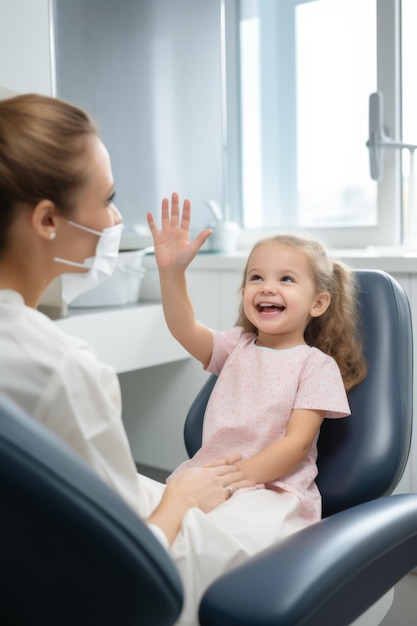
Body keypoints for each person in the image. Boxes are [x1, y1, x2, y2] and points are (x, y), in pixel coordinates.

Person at [0, 94, 255, 564]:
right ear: (48, 219)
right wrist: (179, 499)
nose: (117, 218)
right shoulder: (61, 368)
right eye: (108, 199)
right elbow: (124, 571)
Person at [147, 193, 368, 622]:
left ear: (318, 303)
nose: (267, 287)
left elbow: (296, 444)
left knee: (210, 546)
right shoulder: (236, 346)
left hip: (272, 491)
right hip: (211, 477)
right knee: (157, 530)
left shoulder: (315, 365)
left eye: (287, 279)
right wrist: (171, 273)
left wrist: (237, 480)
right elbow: (183, 328)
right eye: (256, 278)